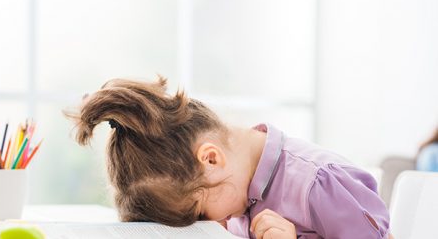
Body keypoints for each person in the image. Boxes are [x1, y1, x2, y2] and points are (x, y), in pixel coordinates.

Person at [65, 76, 392, 239]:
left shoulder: (318, 183)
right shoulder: (238, 193)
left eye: (200, 214)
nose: (210, 225)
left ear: (210, 159)